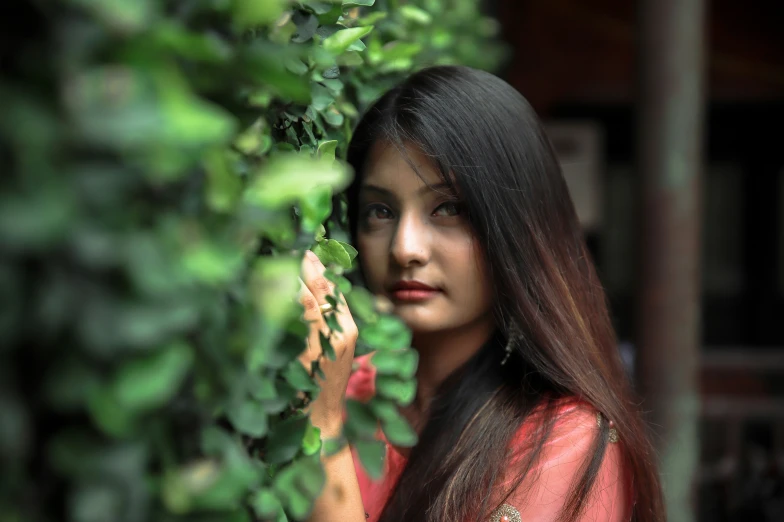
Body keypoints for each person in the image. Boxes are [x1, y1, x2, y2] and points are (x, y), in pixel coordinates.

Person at [297, 65, 664, 522]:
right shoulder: (337, 383)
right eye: (380, 211)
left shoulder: (565, 440)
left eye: (448, 208)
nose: (405, 248)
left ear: (515, 227)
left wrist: (324, 431)